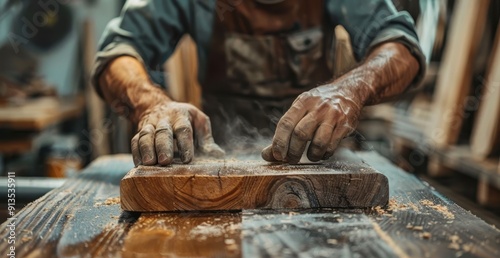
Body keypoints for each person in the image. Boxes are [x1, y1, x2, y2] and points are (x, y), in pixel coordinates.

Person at [92, 0, 425, 166]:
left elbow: (400, 45)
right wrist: (153, 104)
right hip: (215, 161)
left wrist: (350, 90)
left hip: (317, 163)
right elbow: (118, 52)